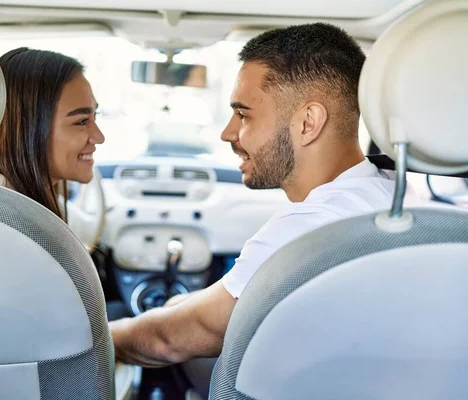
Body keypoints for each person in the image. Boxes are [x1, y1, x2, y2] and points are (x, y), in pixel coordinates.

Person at [110, 23, 396, 367]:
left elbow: (168, 340)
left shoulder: (308, 230)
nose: (227, 133)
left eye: (243, 114)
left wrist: (89, 340)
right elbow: (215, 306)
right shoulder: (393, 194)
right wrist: (174, 307)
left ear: (308, 122)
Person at [0, 47, 105, 220]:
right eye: (81, 121)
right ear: (26, 127)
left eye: (95, 116)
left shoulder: (21, 205)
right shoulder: (10, 221)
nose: (99, 137)